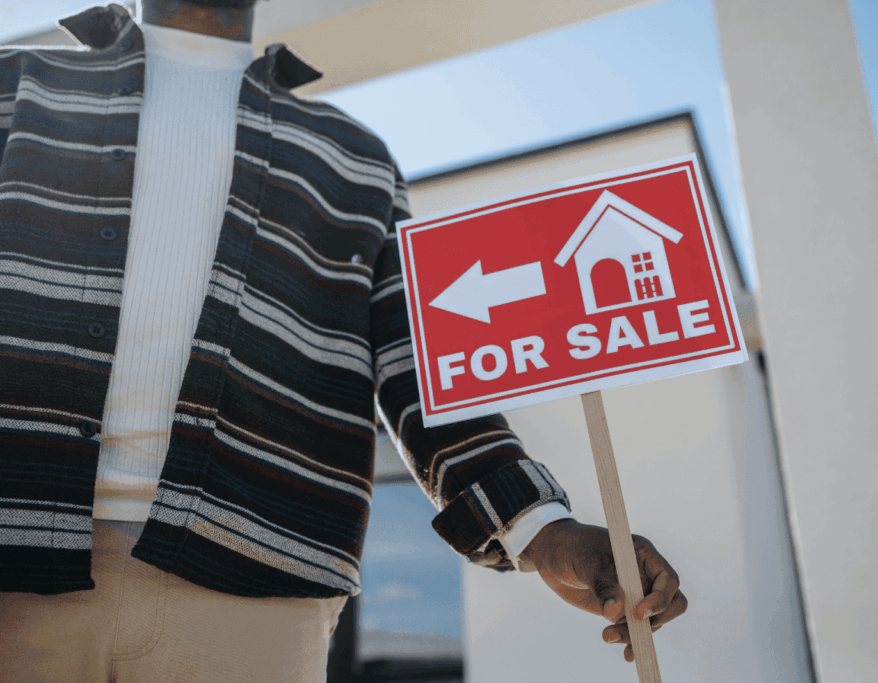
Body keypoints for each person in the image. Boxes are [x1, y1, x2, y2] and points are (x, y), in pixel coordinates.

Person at [0, 1, 687, 681]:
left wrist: (541, 525)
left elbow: (418, 362)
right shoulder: (18, 82)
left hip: (257, 576)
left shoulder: (355, 156)